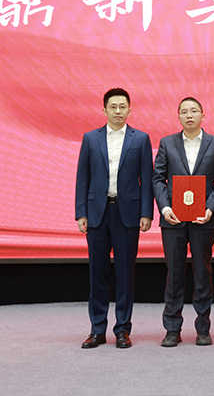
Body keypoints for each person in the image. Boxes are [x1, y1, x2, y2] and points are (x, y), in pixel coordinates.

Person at [75, 88, 153, 349]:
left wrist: (146, 213)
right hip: (97, 213)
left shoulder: (141, 139)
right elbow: (82, 177)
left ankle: (122, 329)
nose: (118, 111)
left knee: (125, 273)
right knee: (97, 273)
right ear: (104, 110)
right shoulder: (90, 138)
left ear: (130, 110)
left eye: (122, 107)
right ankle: (97, 330)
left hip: (127, 214)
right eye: (113, 107)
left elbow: (146, 179)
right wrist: (81, 212)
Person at [152, 97, 214, 347]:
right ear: (178, 117)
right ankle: (172, 328)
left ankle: (203, 328)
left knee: (202, 273)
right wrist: (165, 208)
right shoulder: (167, 143)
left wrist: (210, 209)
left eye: (194, 111)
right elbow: (158, 178)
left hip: (203, 219)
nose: (189, 115)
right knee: (174, 273)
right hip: (173, 219)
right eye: (184, 111)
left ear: (203, 116)